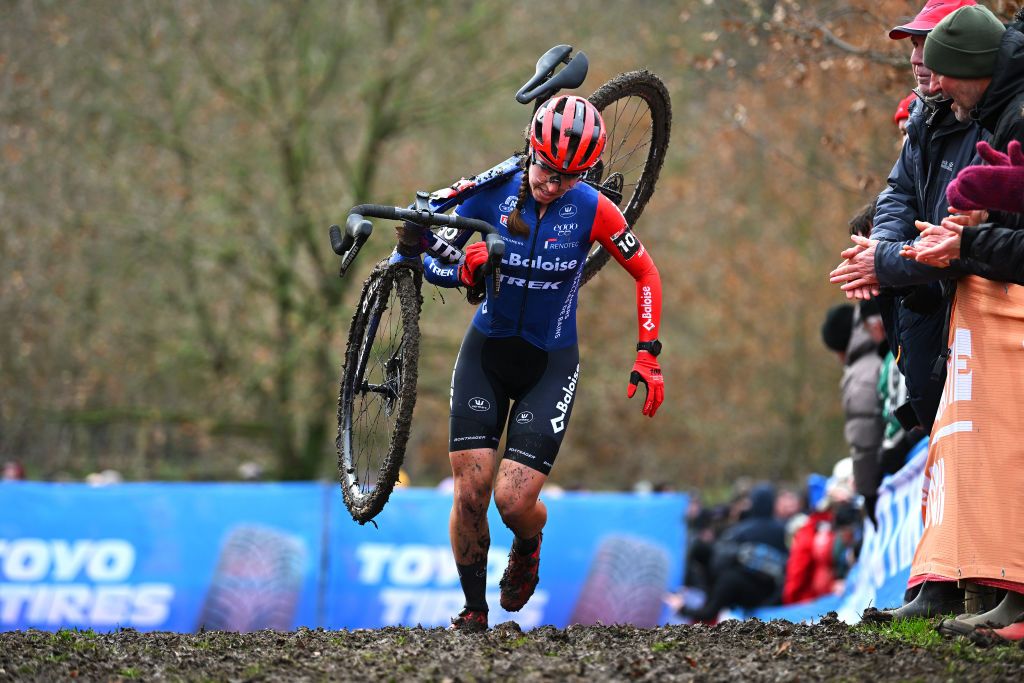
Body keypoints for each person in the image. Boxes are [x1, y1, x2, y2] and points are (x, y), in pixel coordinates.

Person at [421, 95, 664, 632]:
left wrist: (648, 353)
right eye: (545, 170)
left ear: (585, 174)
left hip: (550, 362)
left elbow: (647, 274)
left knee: (512, 500)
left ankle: (529, 542)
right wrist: (465, 269)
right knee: (471, 491)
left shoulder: (595, 209)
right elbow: (426, 257)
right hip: (486, 352)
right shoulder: (489, 193)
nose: (550, 185)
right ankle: (474, 610)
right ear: (530, 149)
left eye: (566, 177)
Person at [893, 5, 1024, 638]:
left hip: (997, 301)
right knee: (967, 442)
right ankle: (982, 583)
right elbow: (899, 197)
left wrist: (964, 248)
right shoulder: (965, 113)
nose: (933, 81)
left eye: (942, 66)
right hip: (957, 300)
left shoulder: (1010, 113)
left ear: (974, 68)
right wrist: (898, 256)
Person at [828, 0, 984, 444]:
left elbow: (959, 242)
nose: (916, 57)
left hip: (972, 344)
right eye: (913, 44)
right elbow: (898, 194)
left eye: (926, 43)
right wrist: (876, 251)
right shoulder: (924, 116)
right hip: (929, 338)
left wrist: (883, 262)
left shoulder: (987, 121)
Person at [674, 483, 788, 623]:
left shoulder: (739, 535)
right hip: (777, 596)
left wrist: (681, 607)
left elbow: (709, 612)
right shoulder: (782, 529)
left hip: (753, 604)